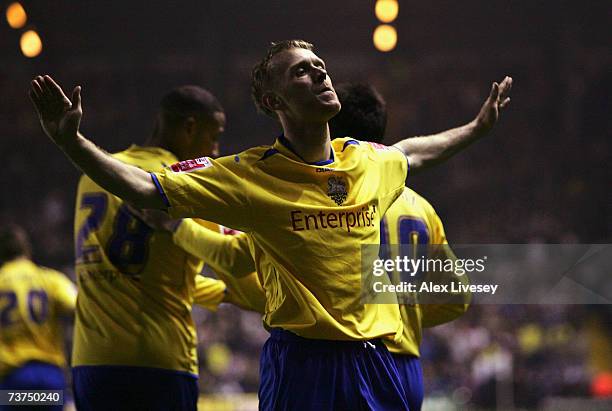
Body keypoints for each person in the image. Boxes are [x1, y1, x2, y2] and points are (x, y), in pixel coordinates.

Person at [30, 39, 512, 410]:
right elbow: (143, 187)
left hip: (375, 360)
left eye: (320, 64)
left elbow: (416, 151)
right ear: (271, 98)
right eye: (301, 70)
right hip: (302, 365)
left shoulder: (367, 161)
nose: (319, 71)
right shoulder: (248, 175)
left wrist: (475, 129)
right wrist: (71, 144)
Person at [69, 85, 248, 411]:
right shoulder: (189, 181)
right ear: (190, 127)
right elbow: (236, 264)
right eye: (214, 135)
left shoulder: (93, 174)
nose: (217, 148)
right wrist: (236, 293)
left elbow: (129, 270)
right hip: (160, 360)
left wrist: (212, 292)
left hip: (90, 361)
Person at [331, 82, 472, 410]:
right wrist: (405, 315)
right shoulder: (421, 207)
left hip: (352, 356)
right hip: (406, 367)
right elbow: (459, 295)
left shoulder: (329, 196)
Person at [0, 224, 76, 411]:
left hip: (13, 378)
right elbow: (77, 307)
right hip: (49, 377)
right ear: (27, 251)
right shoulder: (50, 279)